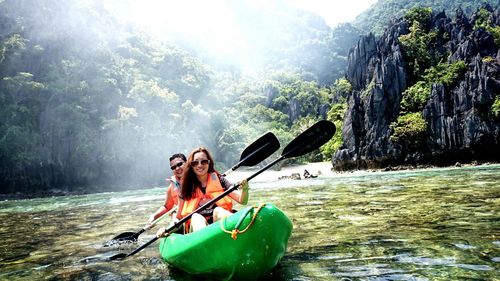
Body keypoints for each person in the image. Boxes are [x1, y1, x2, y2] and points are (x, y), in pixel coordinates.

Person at [156, 147, 249, 236]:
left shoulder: (220, 180)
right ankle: (206, 245)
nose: (200, 165)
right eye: (195, 163)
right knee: (196, 217)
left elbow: (242, 201)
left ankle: (241, 231)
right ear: (191, 165)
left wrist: (244, 188)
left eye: (204, 161)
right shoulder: (186, 186)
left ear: (209, 163)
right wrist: (166, 229)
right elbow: (179, 217)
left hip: (219, 224)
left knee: (218, 210)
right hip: (197, 229)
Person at [147, 153, 186, 226]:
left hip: (195, 216)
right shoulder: (172, 187)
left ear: (187, 163)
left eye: (180, 164)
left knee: (174, 214)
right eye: (173, 167)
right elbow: (167, 207)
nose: (177, 168)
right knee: (174, 215)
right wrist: (154, 217)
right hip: (180, 220)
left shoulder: (198, 178)